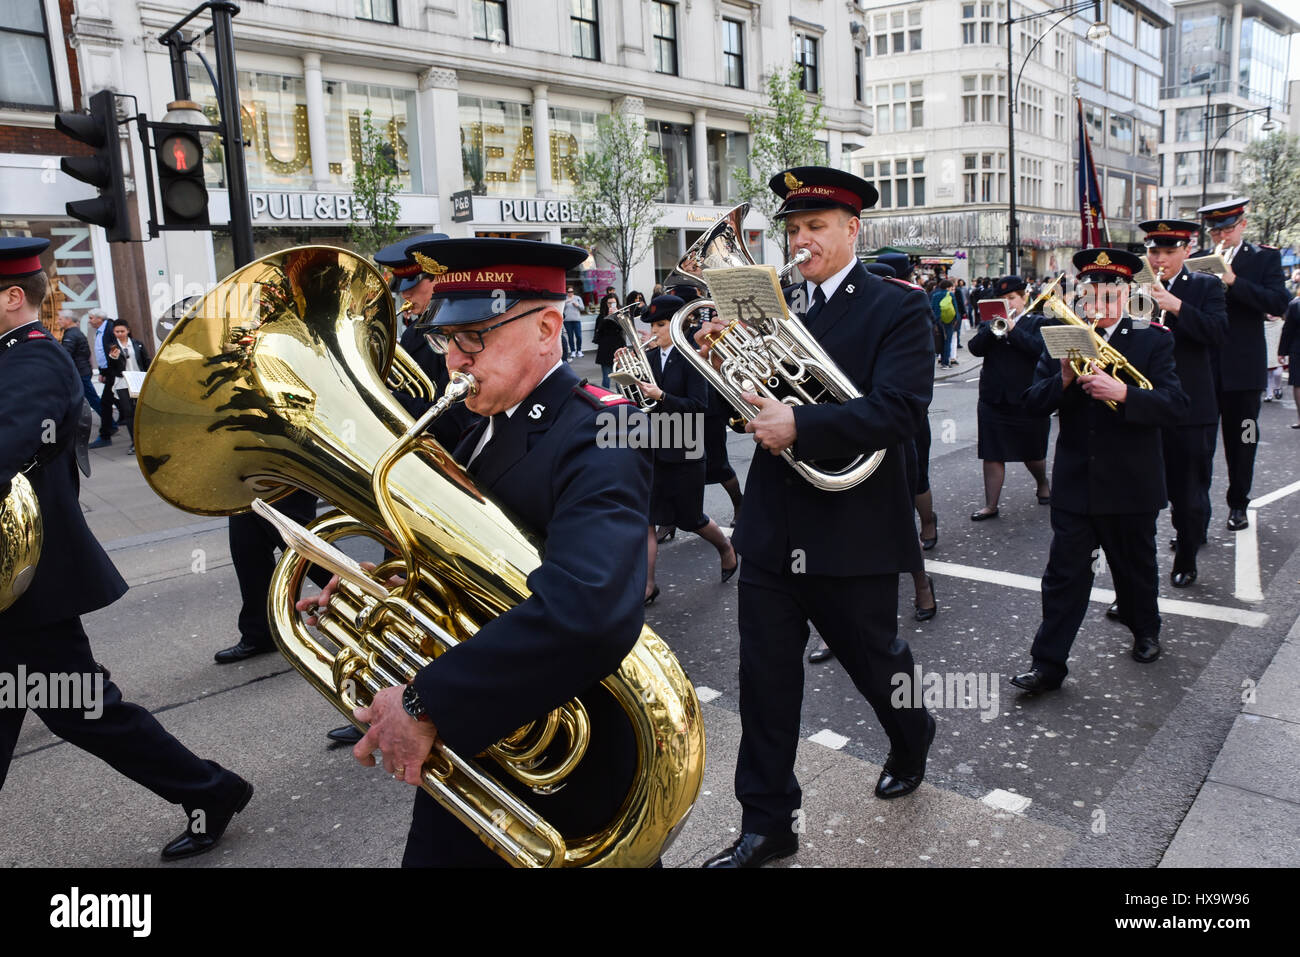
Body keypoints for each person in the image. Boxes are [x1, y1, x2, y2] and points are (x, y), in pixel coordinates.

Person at [295, 237, 655, 868]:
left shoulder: (604, 427)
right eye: (446, 341)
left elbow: (588, 608)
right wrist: (382, 584)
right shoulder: (475, 424)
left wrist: (426, 700)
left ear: (547, 328)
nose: (453, 361)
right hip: (479, 731)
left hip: (560, 759)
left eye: (474, 338)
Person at [699, 167, 935, 868]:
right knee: (765, 684)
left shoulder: (897, 307)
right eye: (794, 229)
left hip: (853, 526)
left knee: (876, 663)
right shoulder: (772, 309)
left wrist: (799, 422)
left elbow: (900, 410)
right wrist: (723, 366)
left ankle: (911, 729)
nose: (802, 241)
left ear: (852, 229)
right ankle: (767, 822)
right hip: (775, 528)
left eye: (816, 227)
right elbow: (741, 415)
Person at [0, 237, 253, 860]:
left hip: (26, 591)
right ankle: (209, 788)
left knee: (86, 710)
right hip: (16, 591)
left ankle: (210, 789)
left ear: (11, 297)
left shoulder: (34, 361)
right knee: (83, 710)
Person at [1010, 248, 1189, 694]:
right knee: (1064, 577)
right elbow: (1032, 403)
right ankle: (1047, 664)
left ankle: (1145, 629)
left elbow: (1176, 407)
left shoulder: (1154, 340)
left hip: (1131, 482)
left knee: (1135, 568)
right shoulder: (1064, 337)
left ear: (1127, 295)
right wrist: (1065, 378)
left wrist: (1124, 393)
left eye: (1110, 293)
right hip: (1076, 482)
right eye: (1091, 293)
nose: (1099, 302)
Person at [1138, 220, 1228, 589]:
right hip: (1148, 403)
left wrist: (1174, 305)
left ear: (1187, 251)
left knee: (1190, 495)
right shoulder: (1136, 286)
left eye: (1168, 252)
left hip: (1192, 408)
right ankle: (1136, 582)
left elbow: (1218, 333)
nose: (1160, 259)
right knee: (1139, 497)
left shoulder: (1206, 285)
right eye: (1154, 251)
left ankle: (1187, 555)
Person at [1194, 198, 1290, 532]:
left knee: (1244, 440)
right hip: (1203, 369)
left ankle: (1238, 503)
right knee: (1198, 448)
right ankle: (1195, 519)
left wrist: (1234, 281)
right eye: (1215, 230)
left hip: (1244, 372)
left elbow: (1279, 302)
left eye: (1227, 229)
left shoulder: (1265, 258)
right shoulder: (1195, 261)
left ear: (1242, 225)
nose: (1220, 236)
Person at [636, 295, 738, 605]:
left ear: (678, 323)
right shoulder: (651, 358)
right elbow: (639, 402)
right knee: (647, 518)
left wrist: (663, 396)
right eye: (653, 324)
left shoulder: (692, 358)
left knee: (691, 518)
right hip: (655, 446)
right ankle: (648, 585)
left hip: (685, 449)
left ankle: (726, 549)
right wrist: (625, 373)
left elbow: (699, 406)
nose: (655, 330)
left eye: (661, 324)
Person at [966, 275, 1053, 520]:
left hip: (1027, 397)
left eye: (1012, 298)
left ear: (1024, 298)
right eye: (1003, 299)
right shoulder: (989, 323)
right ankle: (990, 505)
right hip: (993, 397)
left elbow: (1039, 351)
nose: (1008, 303)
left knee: (1032, 452)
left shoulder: (1038, 321)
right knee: (992, 453)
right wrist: (992, 331)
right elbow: (975, 349)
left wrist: (1013, 330)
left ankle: (1042, 483)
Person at [101, 319, 149, 454]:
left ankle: (146, 439)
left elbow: (146, 361)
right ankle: (135, 442)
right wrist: (113, 358)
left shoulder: (137, 344)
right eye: (117, 331)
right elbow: (111, 368)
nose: (120, 334)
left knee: (142, 410)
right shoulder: (113, 347)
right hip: (122, 382)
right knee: (128, 412)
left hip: (139, 380)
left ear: (128, 331)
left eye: (122, 331)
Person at [57, 311, 100, 416]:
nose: (58, 322)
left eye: (60, 319)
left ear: (68, 320)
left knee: (92, 399)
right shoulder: (74, 332)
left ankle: (110, 424)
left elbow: (66, 354)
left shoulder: (71, 335)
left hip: (80, 372)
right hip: (82, 371)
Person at [592, 292, 627, 390]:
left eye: (614, 303)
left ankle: (621, 400)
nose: (611, 305)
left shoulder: (620, 315)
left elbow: (623, 328)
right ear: (606, 304)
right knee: (606, 378)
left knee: (620, 377)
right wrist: (607, 318)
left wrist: (617, 316)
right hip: (605, 349)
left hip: (618, 347)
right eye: (609, 303)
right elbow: (599, 331)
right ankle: (606, 400)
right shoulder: (601, 316)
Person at [1280, 297, 1300, 428]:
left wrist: (1282, 351)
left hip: (1297, 348)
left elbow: (1288, 329)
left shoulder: (1295, 304)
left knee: (1298, 384)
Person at [931, 278, 959, 368]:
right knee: (948, 341)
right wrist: (956, 319)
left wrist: (934, 321)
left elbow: (932, 308)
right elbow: (955, 308)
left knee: (941, 340)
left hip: (938, 320)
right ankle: (946, 362)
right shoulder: (950, 294)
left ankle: (941, 359)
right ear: (947, 287)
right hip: (948, 321)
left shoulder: (935, 295)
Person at [563, 286, 585, 360]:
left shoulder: (577, 298)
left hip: (576, 320)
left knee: (578, 336)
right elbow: (561, 308)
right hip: (567, 321)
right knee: (570, 336)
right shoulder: (564, 299)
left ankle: (579, 350)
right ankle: (573, 351)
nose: (570, 293)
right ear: (566, 292)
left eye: (572, 292)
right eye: (569, 292)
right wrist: (566, 303)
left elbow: (583, 308)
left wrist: (577, 305)